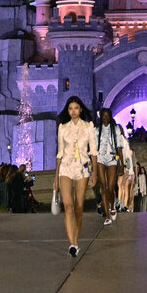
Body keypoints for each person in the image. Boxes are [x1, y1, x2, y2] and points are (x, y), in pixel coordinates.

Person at [54, 96, 97, 257]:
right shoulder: (62, 128)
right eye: (70, 108)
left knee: (79, 207)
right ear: (67, 110)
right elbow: (59, 153)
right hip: (66, 167)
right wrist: (55, 177)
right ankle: (72, 243)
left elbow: (93, 152)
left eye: (76, 108)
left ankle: (75, 241)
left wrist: (95, 174)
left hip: (83, 169)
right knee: (69, 207)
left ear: (80, 109)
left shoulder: (88, 127)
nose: (73, 111)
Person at [94, 108, 123, 226]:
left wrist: (121, 164)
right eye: (103, 116)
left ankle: (112, 205)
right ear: (100, 117)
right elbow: (94, 149)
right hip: (100, 158)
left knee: (111, 187)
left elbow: (119, 147)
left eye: (107, 116)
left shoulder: (115, 129)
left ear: (110, 117)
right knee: (104, 186)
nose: (105, 118)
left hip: (112, 158)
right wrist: (93, 166)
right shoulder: (96, 130)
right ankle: (107, 215)